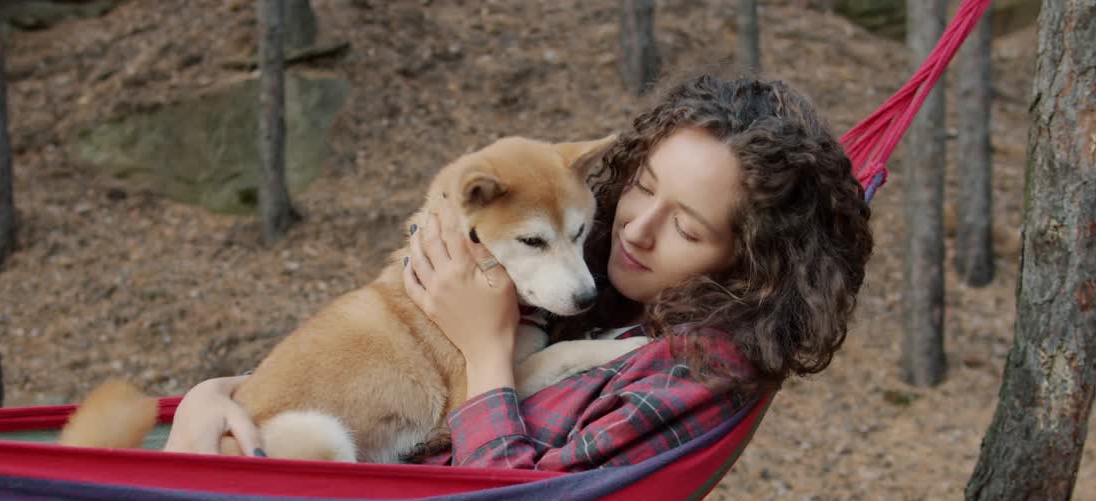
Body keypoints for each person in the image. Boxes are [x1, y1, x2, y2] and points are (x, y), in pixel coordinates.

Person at [164, 72, 874, 472]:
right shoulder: (599, 269)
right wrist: (214, 393)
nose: (637, 228)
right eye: (642, 187)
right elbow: (354, 356)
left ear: (746, 261)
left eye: (686, 226)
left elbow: (508, 500)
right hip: (275, 459)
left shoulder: (695, 373)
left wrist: (483, 351)